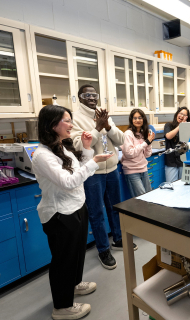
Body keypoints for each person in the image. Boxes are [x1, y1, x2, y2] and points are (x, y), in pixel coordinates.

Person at [33, 105, 113, 320]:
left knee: (77, 253)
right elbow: (69, 182)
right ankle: (62, 307)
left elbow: (80, 171)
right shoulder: (42, 155)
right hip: (59, 214)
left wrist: (88, 148)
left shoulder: (62, 147)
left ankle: (74, 284)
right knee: (63, 261)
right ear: (52, 125)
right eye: (67, 120)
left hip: (76, 207)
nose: (71, 124)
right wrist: (94, 161)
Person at [70, 84, 137, 271]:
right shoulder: (75, 119)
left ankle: (117, 239)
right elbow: (78, 145)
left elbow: (121, 140)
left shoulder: (103, 114)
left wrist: (108, 125)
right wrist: (98, 129)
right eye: (87, 95)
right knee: (96, 212)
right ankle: (103, 249)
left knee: (116, 207)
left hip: (112, 169)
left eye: (94, 94)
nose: (92, 98)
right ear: (79, 97)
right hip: (93, 172)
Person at [121, 109, 155, 197]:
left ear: (143, 119)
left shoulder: (143, 133)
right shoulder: (128, 134)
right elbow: (129, 153)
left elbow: (147, 154)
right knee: (141, 199)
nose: (137, 120)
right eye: (135, 118)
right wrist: (146, 143)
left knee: (149, 196)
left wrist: (149, 143)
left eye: (140, 118)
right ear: (131, 120)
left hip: (143, 169)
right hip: (132, 171)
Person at [164, 106, 190, 182]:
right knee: (172, 186)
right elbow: (168, 136)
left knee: (183, 185)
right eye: (180, 113)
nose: (182, 116)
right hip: (171, 163)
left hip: (182, 162)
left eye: (184, 115)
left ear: (187, 118)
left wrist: (184, 127)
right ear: (177, 114)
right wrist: (180, 126)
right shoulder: (168, 125)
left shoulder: (187, 128)